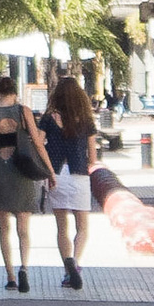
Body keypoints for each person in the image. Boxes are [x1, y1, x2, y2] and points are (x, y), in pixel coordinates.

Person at [0, 76, 53, 292]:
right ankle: (24, 268)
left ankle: (10, 275)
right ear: (14, 93)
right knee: (23, 227)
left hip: (0, 172)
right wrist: (49, 172)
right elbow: (38, 144)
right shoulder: (23, 111)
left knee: (3, 227)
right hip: (23, 171)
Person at [42, 78, 98, 290]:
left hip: (56, 175)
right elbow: (92, 158)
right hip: (79, 175)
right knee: (82, 227)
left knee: (61, 227)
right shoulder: (86, 121)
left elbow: (38, 143)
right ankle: (75, 262)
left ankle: (67, 270)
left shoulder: (48, 119)